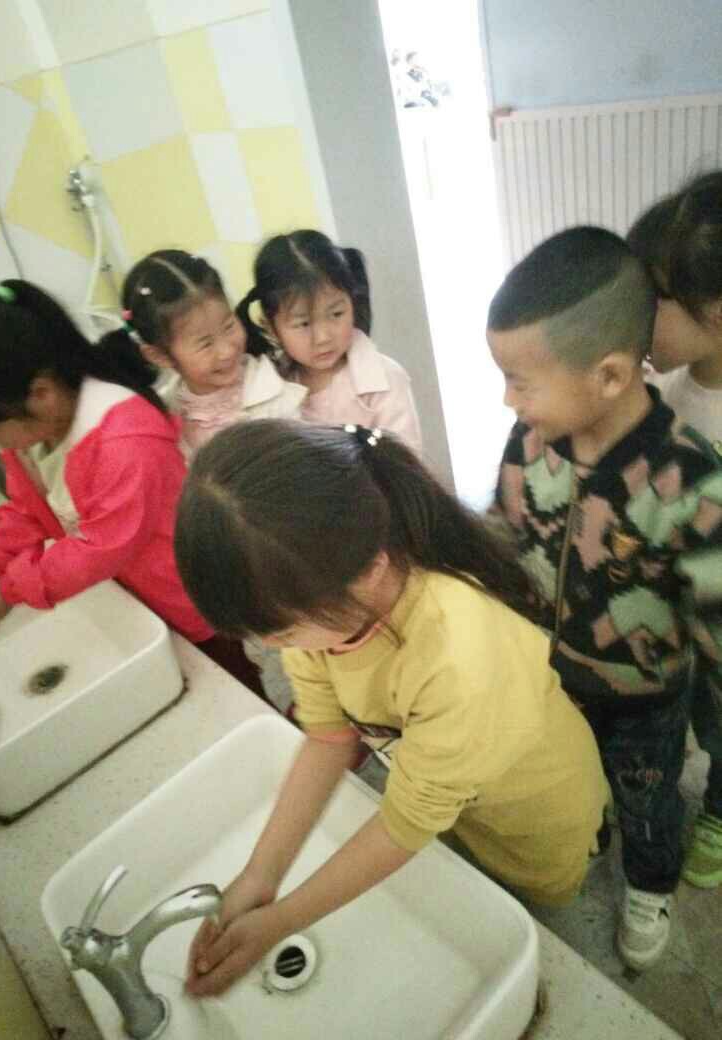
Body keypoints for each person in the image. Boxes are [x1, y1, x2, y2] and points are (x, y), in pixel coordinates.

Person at [173, 419, 608, 997]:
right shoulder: (319, 602)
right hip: (462, 799)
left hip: (540, 809)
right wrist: (260, 875)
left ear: (369, 570)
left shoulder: (457, 654)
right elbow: (328, 736)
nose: (271, 647)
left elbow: (407, 823)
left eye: (278, 633)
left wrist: (280, 921)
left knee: (535, 910)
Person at [487, 226, 722, 971]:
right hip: (551, 675)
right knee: (572, 773)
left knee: (647, 802)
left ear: (611, 375)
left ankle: (649, 885)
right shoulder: (528, 441)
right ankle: (588, 825)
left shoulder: (691, 480)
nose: (508, 399)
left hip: (643, 699)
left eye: (522, 381)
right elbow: (506, 526)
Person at [0, 280, 261, 693]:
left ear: (41, 394)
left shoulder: (126, 442)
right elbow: (26, 511)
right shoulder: (30, 437)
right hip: (135, 596)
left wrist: (11, 589)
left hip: (189, 597)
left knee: (230, 686)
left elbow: (100, 546)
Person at [628, 172, 722, 890]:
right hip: (678, 610)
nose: (632, 316)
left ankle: (719, 811)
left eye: (648, 298)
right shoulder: (666, 389)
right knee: (692, 709)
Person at [236, 230, 422, 456]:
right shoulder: (267, 389)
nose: (323, 337)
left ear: (352, 303)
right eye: (303, 323)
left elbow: (406, 462)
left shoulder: (386, 379)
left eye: (336, 314)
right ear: (270, 327)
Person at [118, 249, 305, 459]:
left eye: (228, 326)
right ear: (160, 356)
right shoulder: (164, 415)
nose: (227, 351)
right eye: (205, 344)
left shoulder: (277, 396)